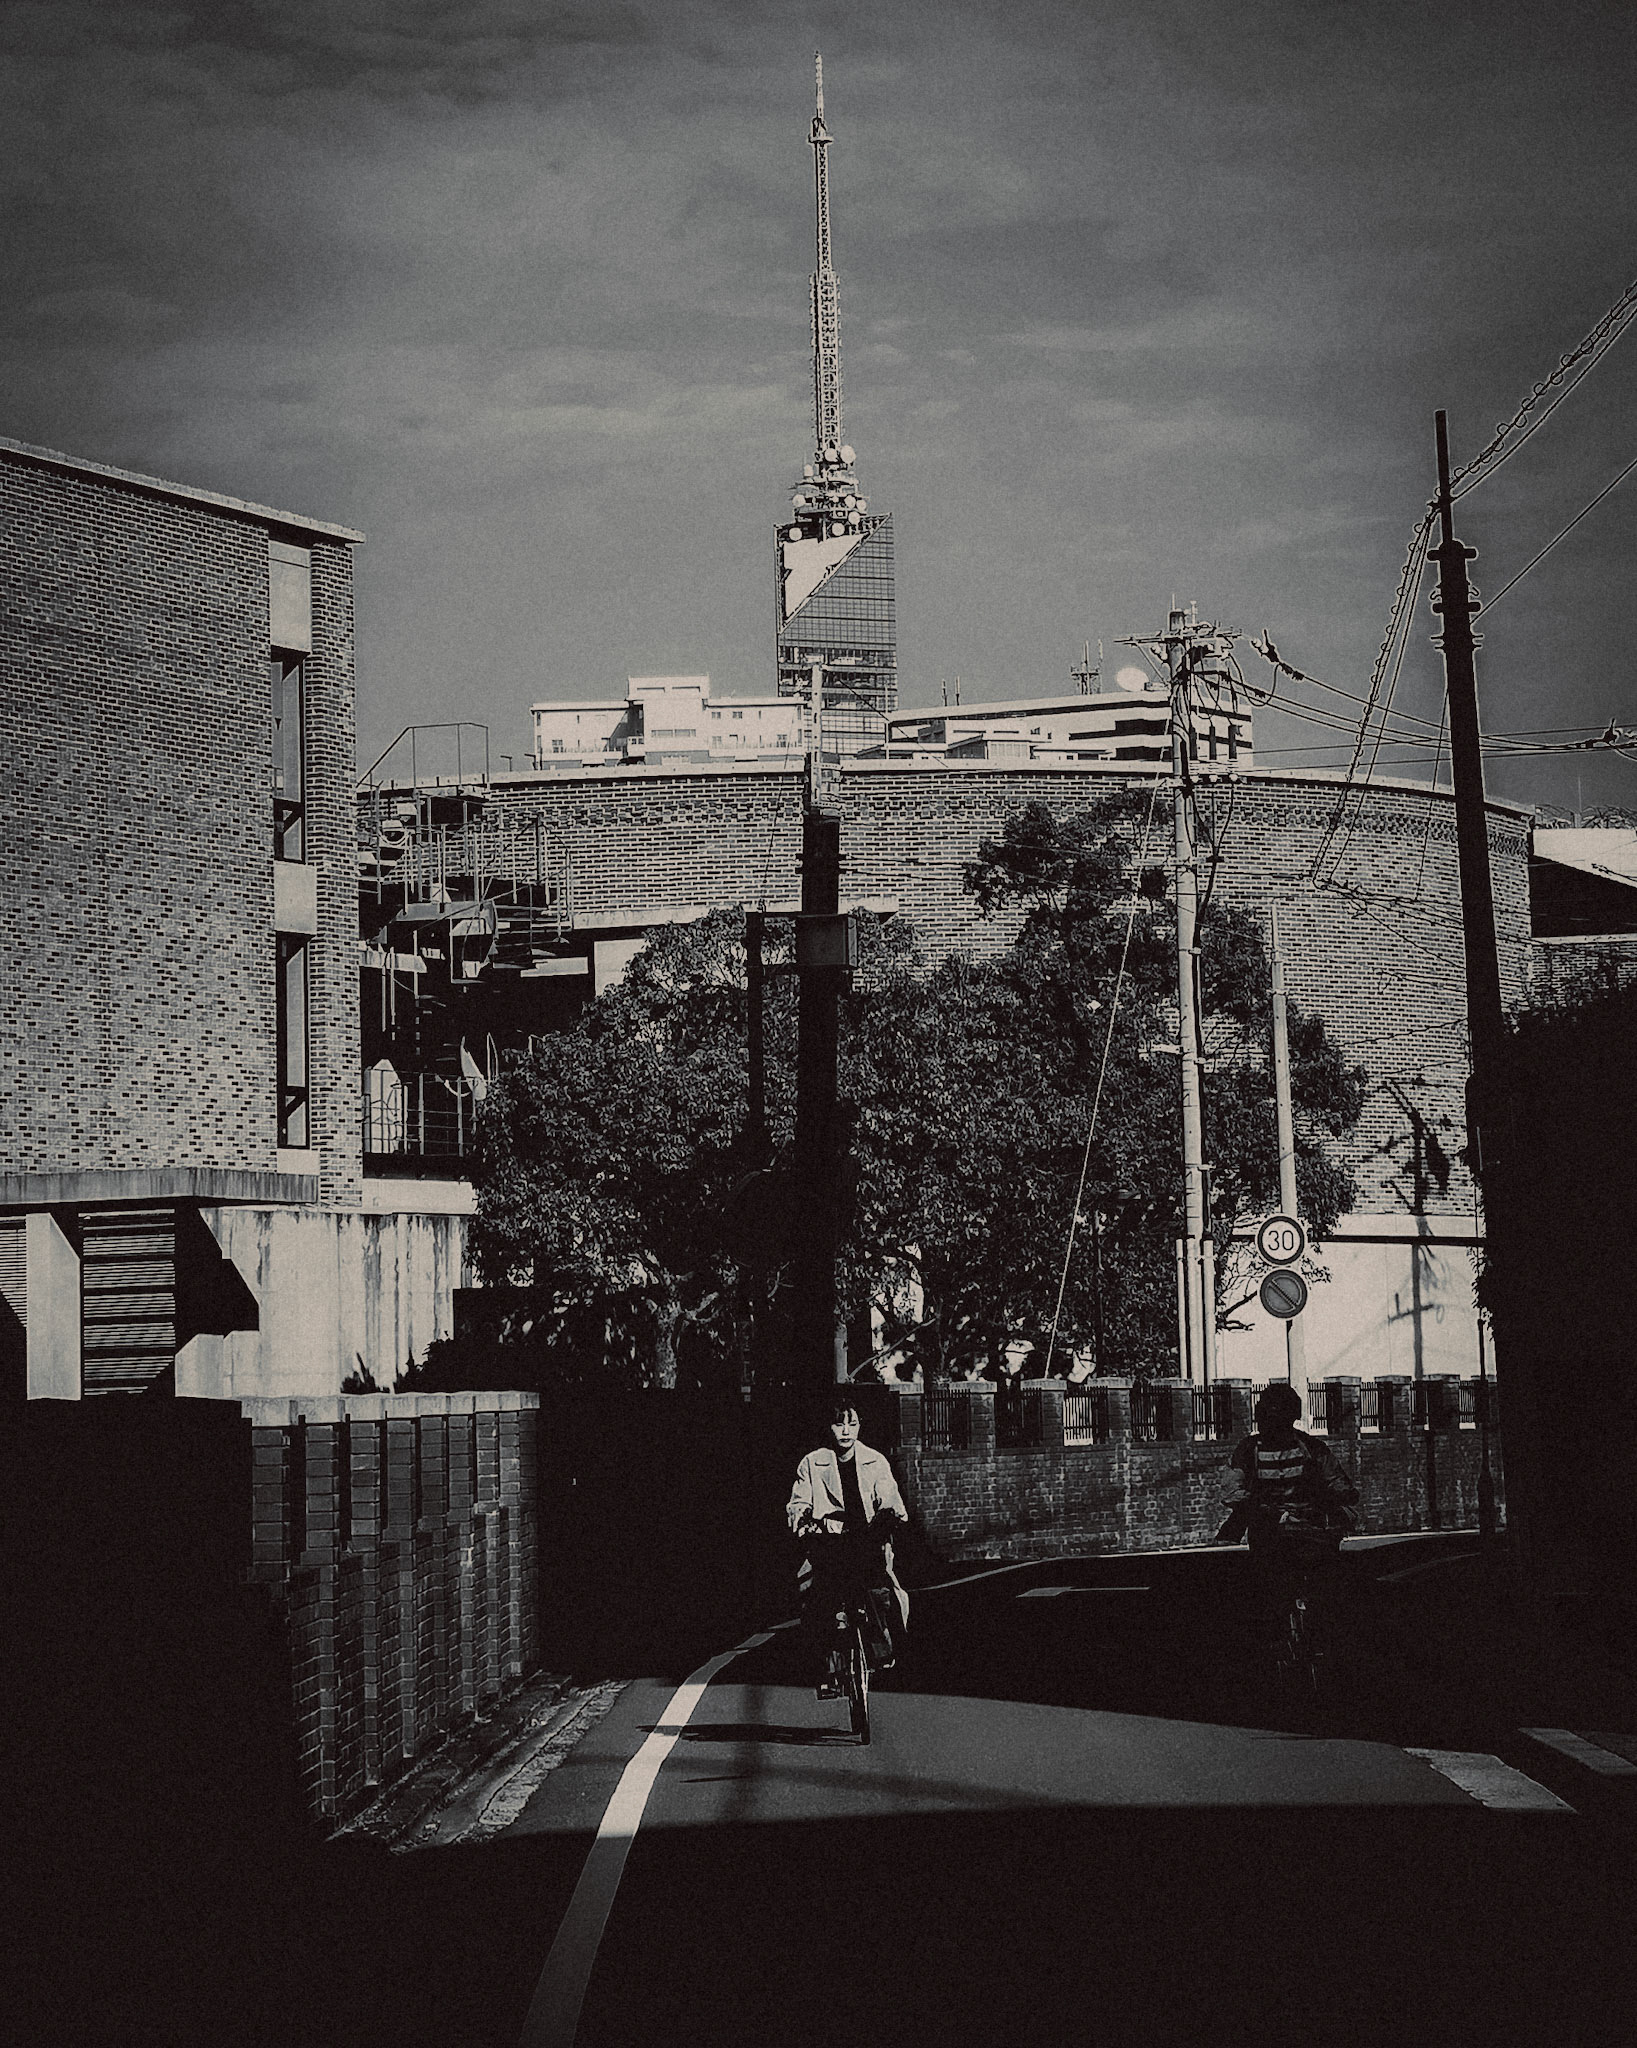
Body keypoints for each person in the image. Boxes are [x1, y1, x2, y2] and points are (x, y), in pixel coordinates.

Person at [1216, 1382, 1360, 1644]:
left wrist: (1338, 1500)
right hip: (1270, 1531)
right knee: (1268, 1596)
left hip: (1307, 1531)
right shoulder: (1250, 1450)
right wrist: (1258, 1507)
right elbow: (1231, 1490)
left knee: (1326, 1589)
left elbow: (1338, 1484)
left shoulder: (1310, 1448)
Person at [788, 1398, 910, 1699]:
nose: (845, 1431)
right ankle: (830, 1669)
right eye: (839, 1424)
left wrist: (888, 1516)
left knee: (879, 1591)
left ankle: (882, 1647)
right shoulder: (812, 1462)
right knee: (818, 1597)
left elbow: (889, 1495)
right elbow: (799, 1500)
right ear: (829, 1427)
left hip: (868, 1537)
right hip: (828, 1539)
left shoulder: (875, 1460)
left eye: (852, 1424)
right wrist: (802, 1519)